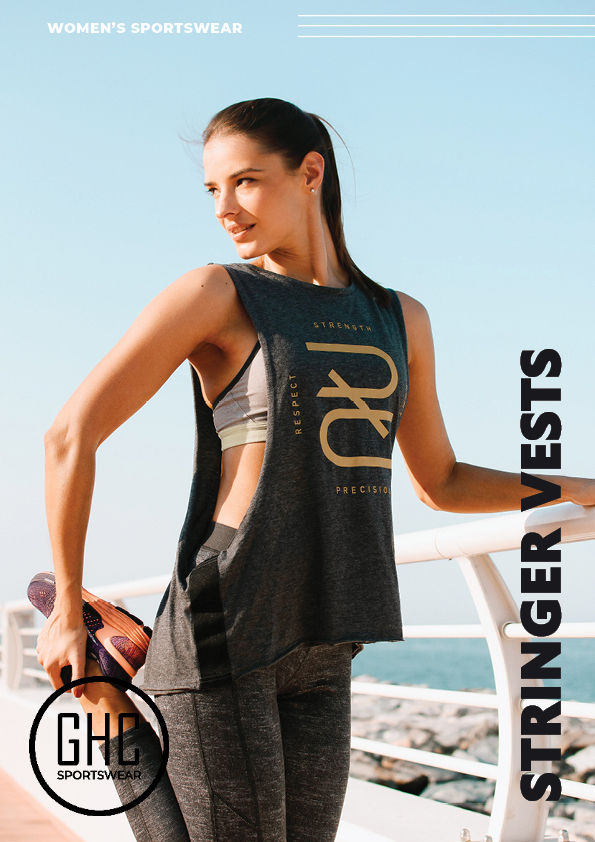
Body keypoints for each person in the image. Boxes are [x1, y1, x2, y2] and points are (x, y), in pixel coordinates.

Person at [32, 98, 595, 842]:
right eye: (212, 191)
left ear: (309, 173)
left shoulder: (399, 317)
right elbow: (69, 434)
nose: (225, 209)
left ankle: (109, 701)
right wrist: (67, 605)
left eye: (246, 182)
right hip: (227, 621)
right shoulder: (219, 294)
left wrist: (581, 488)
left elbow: (442, 481)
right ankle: (107, 695)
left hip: (327, 635)